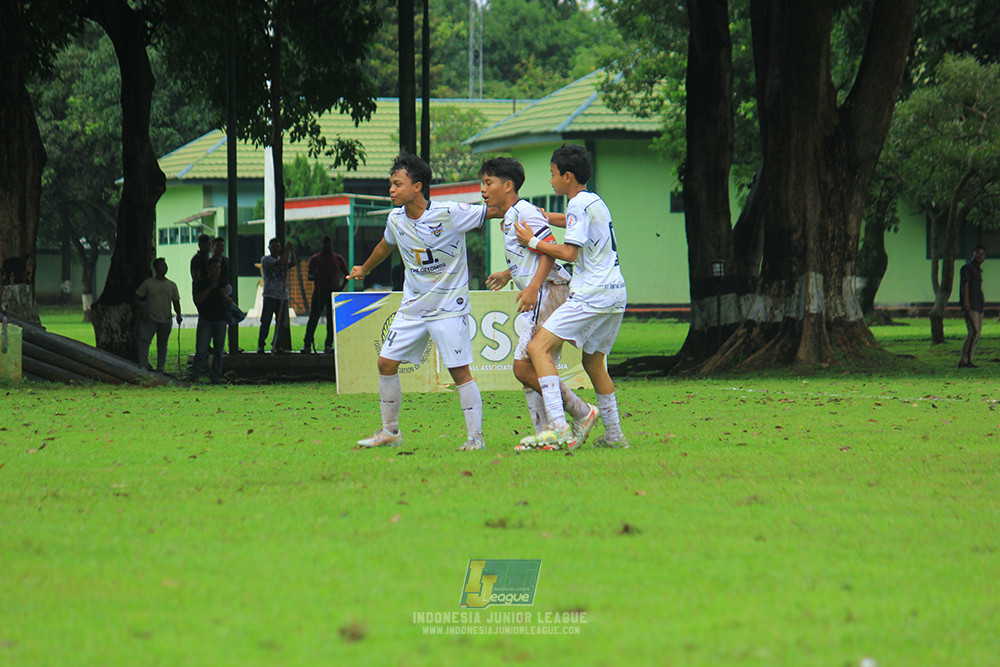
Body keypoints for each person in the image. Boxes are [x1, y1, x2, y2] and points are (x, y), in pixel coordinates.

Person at [347, 153, 492, 451]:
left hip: (449, 308)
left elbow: (494, 211)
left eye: (396, 184)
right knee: (385, 363)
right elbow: (385, 245)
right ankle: (390, 431)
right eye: (390, 184)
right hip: (413, 308)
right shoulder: (395, 218)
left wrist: (527, 216)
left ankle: (475, 438)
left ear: (417, 186)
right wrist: (365, 268)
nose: (391, 189)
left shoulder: (450, 212)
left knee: (459, 373)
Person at [513, 144, 629, 450]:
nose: (550, 180)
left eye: (552, 174)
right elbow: (573, 222)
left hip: (591, 295)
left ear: (567, 176)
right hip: (616, 293)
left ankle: (559, 426)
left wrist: (533, 240)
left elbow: (569, 252)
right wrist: (548, 216)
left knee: (538, 348)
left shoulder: (578, 205)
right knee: (594, 363)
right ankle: (615, 436)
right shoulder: (594, 201)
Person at [480, 157, 598, 448]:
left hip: (549, 291)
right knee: (531, 367)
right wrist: (509, 273)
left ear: (508, 186)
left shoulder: (525, 212)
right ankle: (548, 432)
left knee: (524, 366)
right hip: (543, 290)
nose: (483, 190)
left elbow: (549, 251)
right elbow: (531, 255)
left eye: (488, 183)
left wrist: (532, 287)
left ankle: (577, 415)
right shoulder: (510, 215)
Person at [134, 258, 183, 373]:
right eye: (161, 266)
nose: (164, 268)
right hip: (150, 318)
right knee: (145, 341)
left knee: (162, 345)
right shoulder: (148, 283)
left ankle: (160, 368)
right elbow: (136, 297)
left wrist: (179, 315)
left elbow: (176, 301)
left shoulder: (172, 285)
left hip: (165, 319)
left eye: (165, 265)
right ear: (155, 268)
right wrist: (143, 313)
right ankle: (143, 365)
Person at [301, 235, 348, 354]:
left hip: (333, 292)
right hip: (319, 292)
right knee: (313, 318)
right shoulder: (315, 259)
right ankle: (307, 344)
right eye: (325, 244)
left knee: (331, 320)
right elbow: (309, 276)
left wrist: (340, 289)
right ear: (321, 245)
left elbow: (346, 275)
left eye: (329, 244)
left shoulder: (338, 258)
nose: (327, 246)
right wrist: (315, 275)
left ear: (331, 245)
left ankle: (328, 345)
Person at [189, 257, 232, 384]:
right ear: (208, 269)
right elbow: (198, 299)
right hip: (206, 320)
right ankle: (194, 377)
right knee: (201, 351)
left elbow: (230, 303)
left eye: (219, 267)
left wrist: (224, 295)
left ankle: (215, 378)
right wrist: (210, 288)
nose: (217, 270)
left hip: (220, 320)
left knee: (219, 351)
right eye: (214, 267)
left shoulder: (224, 284)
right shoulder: (201, 283)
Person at [257, 237, 296, 354]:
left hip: (282, 296)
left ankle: (276, 344)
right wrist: (286, 249)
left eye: (278, 246)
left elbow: (292, 263)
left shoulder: (282, 257)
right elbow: (281, 262)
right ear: (269, 247)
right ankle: (261, 345)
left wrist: (291, 250)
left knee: (282, 322)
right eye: (273, 246)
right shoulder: (265, 260)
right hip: (270, 295)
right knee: (266, 321)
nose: (275, 248)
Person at [959, 245, 986, 368]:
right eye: (978, 253)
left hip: (979, 304)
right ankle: (964, 361)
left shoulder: (977, 270)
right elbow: (965, 285)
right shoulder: (967, 268)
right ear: (973, 254)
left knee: (977, 333)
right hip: (971, 305)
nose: (980, 256)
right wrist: (966, 302)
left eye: (982, 254)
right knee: (973, 332)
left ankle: (970, 359)